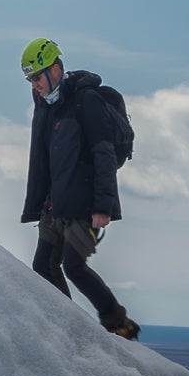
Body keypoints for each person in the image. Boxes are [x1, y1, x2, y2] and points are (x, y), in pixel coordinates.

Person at [18, 37, 139, 339]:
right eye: (29, 79)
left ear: (55, 69)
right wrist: (39, 202)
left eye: (37, 76)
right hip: (54, 204)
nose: (35, 84)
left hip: (86, 206)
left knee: (73, 266)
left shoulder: (88, 101)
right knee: (43, 266)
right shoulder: (45, 106)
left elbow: (103, 152)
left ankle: (118, 323)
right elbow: (42, 158)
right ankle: (64, 328)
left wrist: (103, 207)